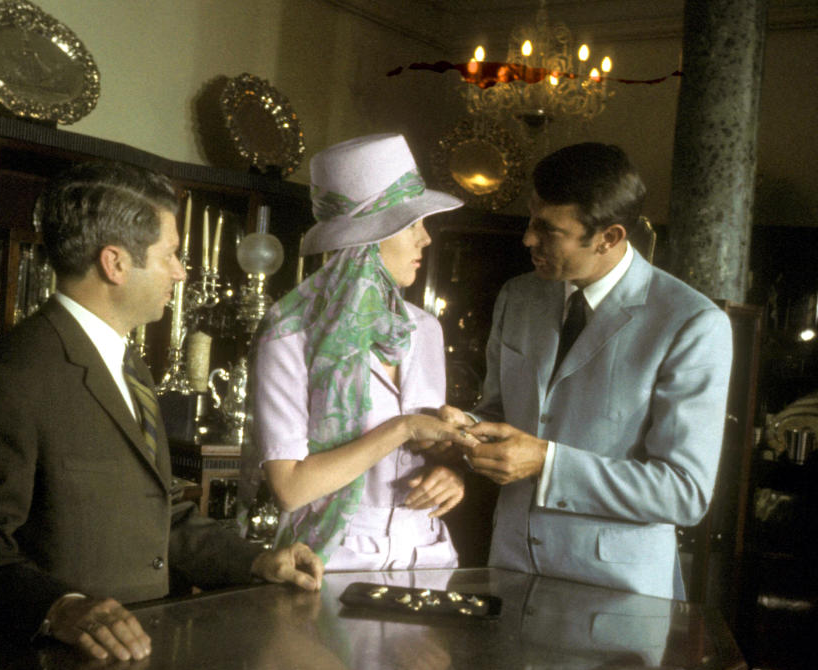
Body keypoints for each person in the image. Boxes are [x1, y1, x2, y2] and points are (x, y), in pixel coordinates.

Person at [0, 162, 323, 662]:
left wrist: (258, 560)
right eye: (170, 254)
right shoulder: (16, 376)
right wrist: (59, 607)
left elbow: (159, 512)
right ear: (115, 263)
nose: (181, 271)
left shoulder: (128, 364)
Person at [441, 142, 733, 599]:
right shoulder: (519, 297)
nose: (527, 240)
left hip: (619, 594)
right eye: (531, 220)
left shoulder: (691, 324)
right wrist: (464, 429)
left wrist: (547, 462)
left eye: (547, 229)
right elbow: (502, 410)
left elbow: (684, 492)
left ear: (609, 238)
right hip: (510, 573)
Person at [251, 133, 478, 570]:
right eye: (412, 224)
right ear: (371, 236)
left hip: (427, 558)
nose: (425, 239)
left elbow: (431, 449)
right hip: (329, 561)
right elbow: (291, 488)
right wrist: (403, 428)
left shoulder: (424, 329)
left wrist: (453, 473)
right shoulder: (289, 333)